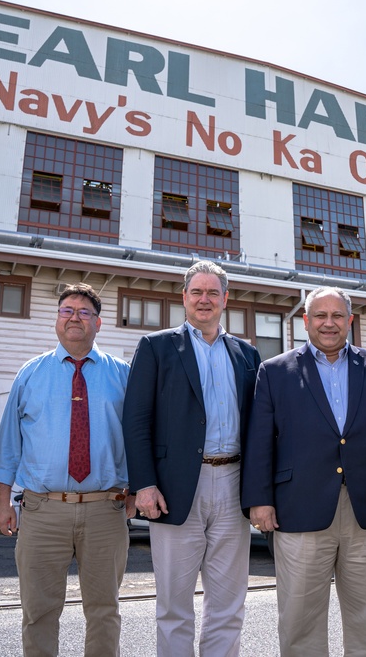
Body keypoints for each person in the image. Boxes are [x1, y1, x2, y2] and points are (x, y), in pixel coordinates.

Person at [242, 287, 366, 656]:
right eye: (320, 316)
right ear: (306, 321)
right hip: (299, 508)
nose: (329, 323)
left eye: (337, 316)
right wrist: (259, 501)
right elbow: (260, 442)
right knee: (299, 619)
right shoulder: (274, 371)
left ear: (350, 321)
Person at [123, 260, 261, 656]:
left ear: (225, 299)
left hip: (234, 485)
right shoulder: (157, 347)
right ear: (183, 297)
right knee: (174, 604)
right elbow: (136, 420)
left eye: (212, 292)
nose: (205, 299)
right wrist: (144, 484)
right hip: (175, 486)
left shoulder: (246, 354)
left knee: (229, 602)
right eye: (196, 292)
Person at [0, 283, 131, 657]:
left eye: (84, 312)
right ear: (56, 320)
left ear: (98, 323)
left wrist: (135, 492)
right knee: (39, 610)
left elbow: (138, 437)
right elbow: (8, 446)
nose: (74, 317)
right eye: (66, 310)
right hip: (42, 509)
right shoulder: (30, 374)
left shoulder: (123, 375)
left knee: (104, 609)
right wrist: (1, 503)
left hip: (106, 508)